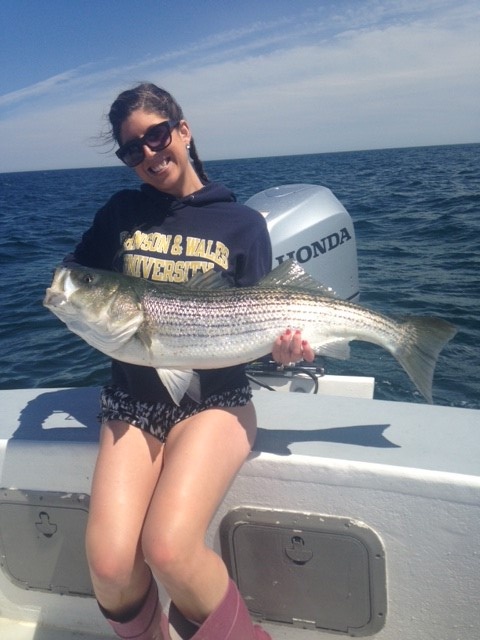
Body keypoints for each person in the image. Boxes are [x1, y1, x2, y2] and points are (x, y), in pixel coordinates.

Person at [66, 83, 314, 640]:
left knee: (169, 549)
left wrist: (285, 350)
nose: (149, 154)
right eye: (133, 150)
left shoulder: (242, 223)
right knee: (109, 565)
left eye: (156, 136)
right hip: (134, 400)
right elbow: (76, 273)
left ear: (182, 130)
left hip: (217, 401)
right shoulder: (121, 213)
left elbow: (260, 317)